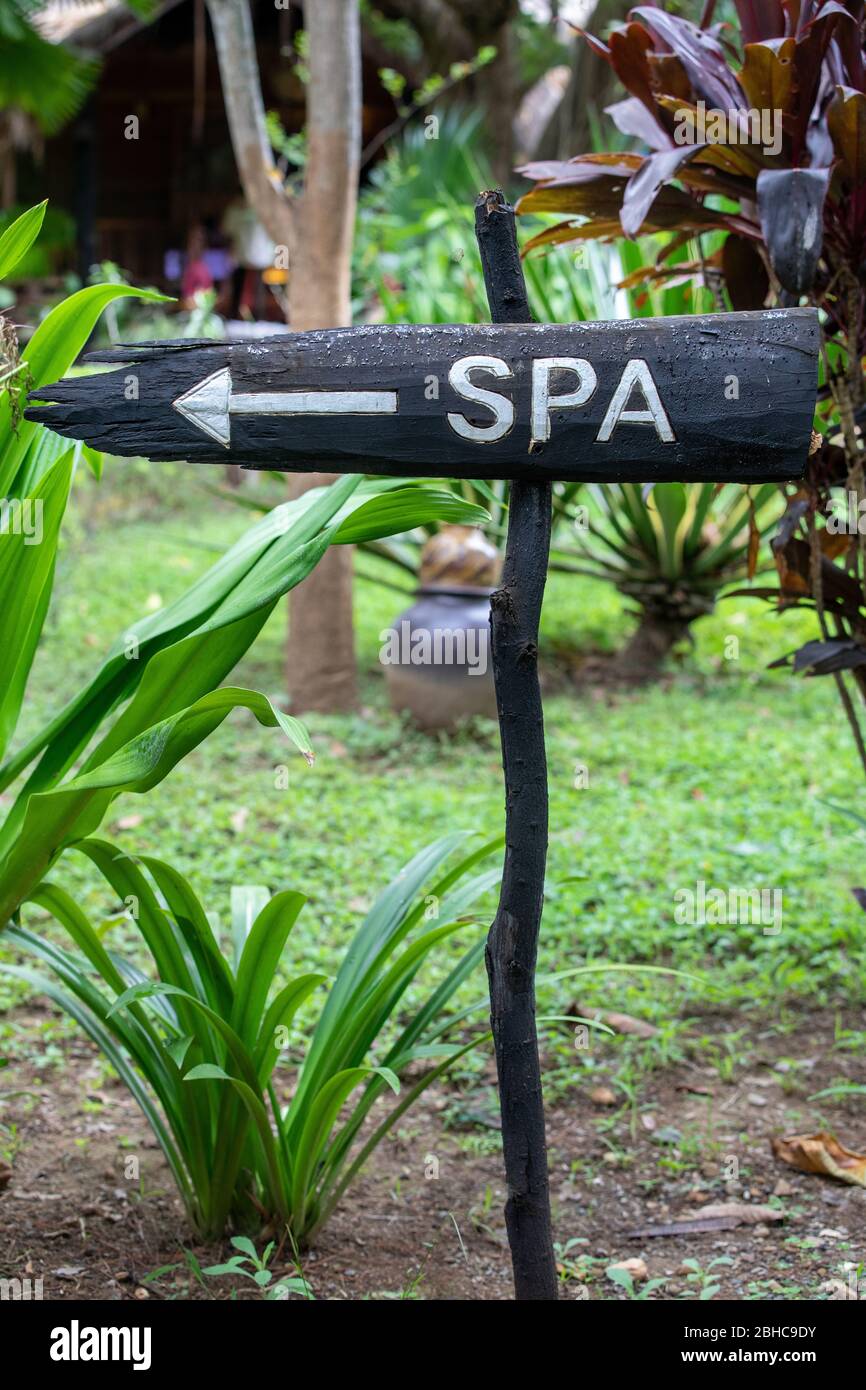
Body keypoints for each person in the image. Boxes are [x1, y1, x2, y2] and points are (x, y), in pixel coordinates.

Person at [181, 223, 214, 306]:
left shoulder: (202, 269)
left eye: (198, 240)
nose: (194, 244)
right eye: (191, 240)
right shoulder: (188, 265)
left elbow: (206, 296)